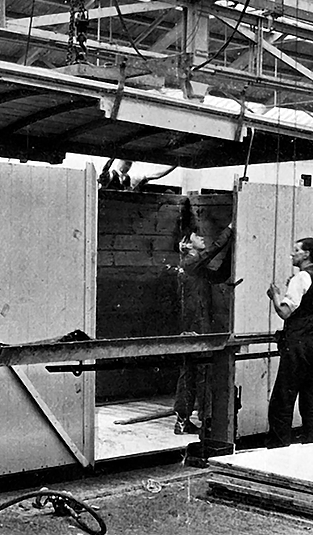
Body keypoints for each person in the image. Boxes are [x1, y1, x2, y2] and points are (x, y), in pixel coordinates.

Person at [265, 237, 313, 448]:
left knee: (281, 403)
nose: (292, 254)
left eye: (296, 250)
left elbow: (285, 312)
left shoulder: (300, 278)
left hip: (298, 346)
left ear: (306, 255)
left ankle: (277, 452)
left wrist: (275, 295)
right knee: (311, 401)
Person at [173, 222, 234, 435]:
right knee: (201, 372)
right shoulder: (190, 263)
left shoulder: (193, 266)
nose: (202, 237)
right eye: (196, 236)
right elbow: (212, 250)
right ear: (186, 244)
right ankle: (205, 420)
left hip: (192, 327)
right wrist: (230, 229)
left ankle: (183, 420)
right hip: (197, 327)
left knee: (190, 371)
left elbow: (219, 275)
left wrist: (233, 249)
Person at [98, 158, 176, 191]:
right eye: (127, 163)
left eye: (129, 164)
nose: (127, 166)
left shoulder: (133, 178)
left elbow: (155, 175)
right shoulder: (112, 174)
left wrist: (173, 166)